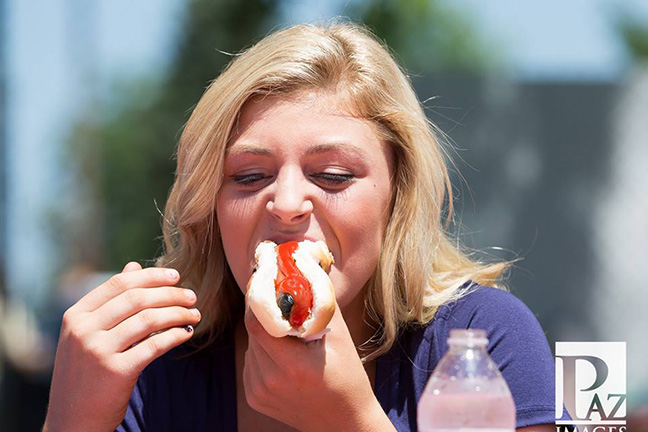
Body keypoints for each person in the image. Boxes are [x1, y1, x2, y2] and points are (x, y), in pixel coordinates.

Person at [44, 22, 571, 431]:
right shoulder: (156, 371)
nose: (288, 203)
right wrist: (71, 419)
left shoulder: (477, 342)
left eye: (333, 175)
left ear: (397, 197)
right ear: (210, 205)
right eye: (250, 176)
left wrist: (347, 422)